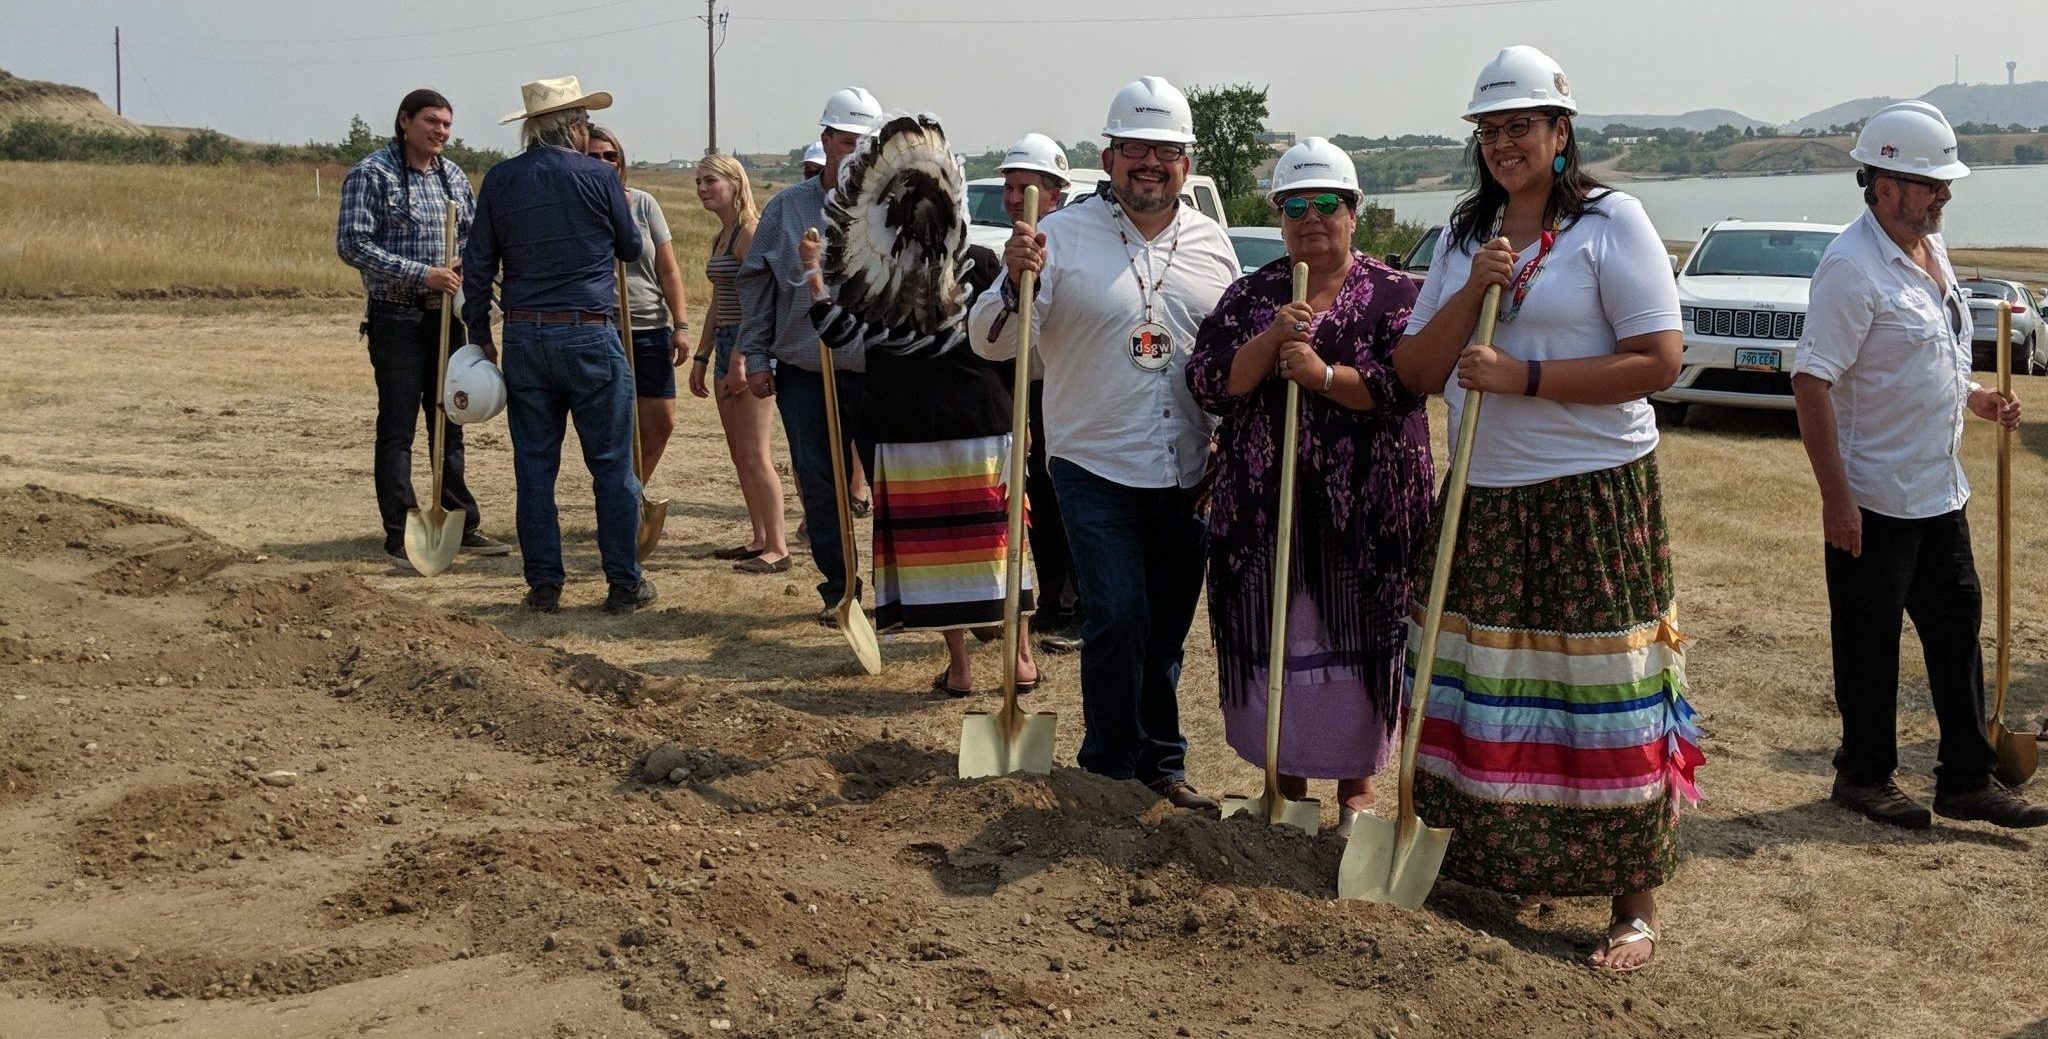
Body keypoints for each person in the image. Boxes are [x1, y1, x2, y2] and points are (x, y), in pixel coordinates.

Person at [1390, 46, 1700, 972]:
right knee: (1489, 689)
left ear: (1562, 133)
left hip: (1592, 500)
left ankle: (1631, 902)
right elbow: (1415, 371)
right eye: (1490, 132)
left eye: (1520, 126)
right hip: (1483, 498)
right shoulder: (1462, 238)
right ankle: (1492, 866)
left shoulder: (1613, 223)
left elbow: (1659, 361)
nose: (1503, 146)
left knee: (1599, 698)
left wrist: (1524, 375)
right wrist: (1478, 289)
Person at [970, 76, 1238, 811]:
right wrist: (1010, 285)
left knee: (1166, 630)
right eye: (1133, 149)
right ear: (1107, 156)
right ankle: (1108, 766)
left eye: (1165, 150)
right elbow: (991, 342)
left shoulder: (1216, 247)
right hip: (1093, 463)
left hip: (1189, 467)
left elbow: (1230, 355)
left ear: (1187, 161)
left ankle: (1161, 764)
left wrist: (1228, 439)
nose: (1149, 163)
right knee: (1117, 614)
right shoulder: (1058, 239)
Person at [1790, 101, 2048, 832]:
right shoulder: (1850, 266)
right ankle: (1863, 776)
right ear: (1884, 184)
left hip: (1939, 488)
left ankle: (1966, 777)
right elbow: (1812, 383)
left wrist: (1976, 399)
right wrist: (1835, 498)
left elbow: (1926, 355)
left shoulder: (1932, 250)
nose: (1945, 194)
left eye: (1944, 182)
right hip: (1873, 495)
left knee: (1956, 624)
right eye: (1931, 182)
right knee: (1870, 641)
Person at [1186, 139, 1430, 837]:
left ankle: (1357, 794)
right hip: (1265, 521)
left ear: (1354, 214)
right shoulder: (1252, 294)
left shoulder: (1394, 294)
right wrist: (1270, 342)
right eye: (1295, 206)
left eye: (1327, 204)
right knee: (1277, 654)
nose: (1311, 218)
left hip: (1365, 524)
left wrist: (1322, 376)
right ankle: (1282, 787)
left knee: (1359, 655)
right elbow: (1208, 380)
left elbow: (1404, 386)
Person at [797, 116, 1038, 695]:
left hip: (907, 433)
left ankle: (960, 668)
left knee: (937, 557)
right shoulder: (979, 263)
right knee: (1000, 543)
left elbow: (833, 331)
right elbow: (1008, 341)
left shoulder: (867, 282)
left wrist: (813, 274)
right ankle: (1021, 657)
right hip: (983, 423)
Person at [461, 75, 651, 615]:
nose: (587, 129)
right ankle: (623, 583)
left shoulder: (499, 180)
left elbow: (478, 267)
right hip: (588, 330)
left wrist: (481, 337)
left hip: (525, 334)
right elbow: (631, 245)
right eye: (584, 122)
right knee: (612, 466)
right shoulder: (597, 175)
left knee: (535, 468)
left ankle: (544, 584)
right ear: (571, 127)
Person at [336, 87, 510, 570]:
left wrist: (465, 261)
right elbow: (353, 244)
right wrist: (422, 272)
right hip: (398, 313)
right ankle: (400, 529)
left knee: (449, 417)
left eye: (447, 124)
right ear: (405, 121)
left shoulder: (453, 176)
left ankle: (460, 519)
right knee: (397, 425)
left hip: (446, 316)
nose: (441, 131)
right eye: (432, 121)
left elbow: (476, 234)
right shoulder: (372, 174)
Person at [733, 86, 883, 625]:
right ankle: (840, 590)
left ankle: (894, 592)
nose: (858, 156)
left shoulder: (891, 209)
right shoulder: (787, 208)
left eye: (869, 146)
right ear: (826, 140)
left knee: (889, 484)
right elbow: (755, 283)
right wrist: (754, 353)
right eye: (848, 143)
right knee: (819, 483)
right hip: (803, 370)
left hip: (876, 371)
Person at [994, 133, 1084, 655]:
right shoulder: (1013, 248)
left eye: (1024, 186)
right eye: (1009, 187)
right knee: (1038, 504)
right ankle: (1052, 599)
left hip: (1065, 389)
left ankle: (1077, 604)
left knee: (1065, 500)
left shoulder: (1065, 243)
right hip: (1025, 389)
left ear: (1055, 192)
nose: (1012, 197)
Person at [687, 154, 790, 574]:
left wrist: (741, 358)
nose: (701, 188)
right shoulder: (721, 236)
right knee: (737, 453)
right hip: (727, 343)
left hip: (749, 348)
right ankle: (759, 537)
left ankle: (779, 547)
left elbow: (761, 302)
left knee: (755, 452)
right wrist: (701, 354)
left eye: (710, 180)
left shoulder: (749, 232)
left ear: (735, 183)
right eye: (698, 181)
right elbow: (717, 303)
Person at [583, 126, 691, 486]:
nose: (602, 163)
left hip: (649, 328)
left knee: (661, 419)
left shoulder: (644, 203)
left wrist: (681, 325)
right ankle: (617, 498)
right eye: (592, 156)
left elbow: (668, 268)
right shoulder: (576, 207)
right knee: (613, 424)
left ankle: (631, 489)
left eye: (609, 156)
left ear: (621, 161)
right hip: (600, 330)